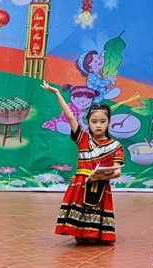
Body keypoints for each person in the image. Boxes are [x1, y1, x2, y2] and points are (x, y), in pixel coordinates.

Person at [43, 82, 123, 245]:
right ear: (88, 122)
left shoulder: (115, 146)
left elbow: (118, 171)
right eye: (94, 121)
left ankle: (95, 234)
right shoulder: (83, 139)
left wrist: (102, 176)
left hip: (100, 185)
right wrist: (57, 94)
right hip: (80, 185)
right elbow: (70, 117)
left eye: (102, 121)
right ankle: (81, 232)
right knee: (79, 238)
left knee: (94, 237)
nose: (98, 125)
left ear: (109, 122)